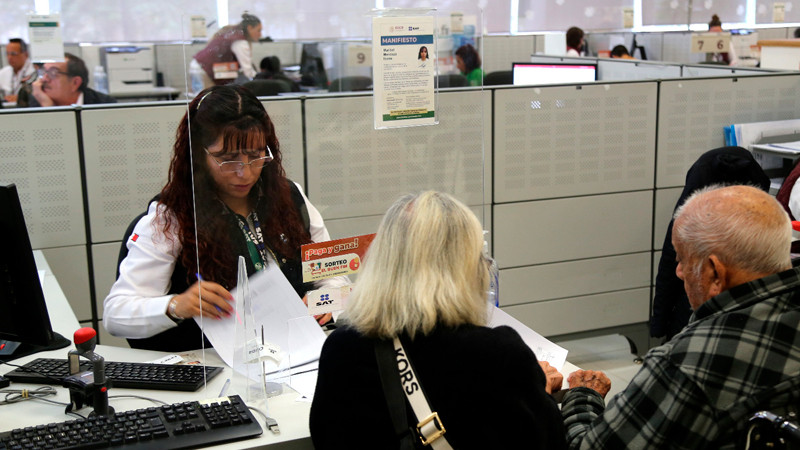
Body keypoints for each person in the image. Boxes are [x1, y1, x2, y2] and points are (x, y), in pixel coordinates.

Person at [310, 191, 569, 449]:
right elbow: (549, 441)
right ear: (464, 267)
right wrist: (539, 393)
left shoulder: (342, 349)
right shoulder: (498, 355)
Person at [104, 85, 345, 351]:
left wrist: (325, 301)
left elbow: (336, 277)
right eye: (228, 159)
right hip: (213, 365)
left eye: (255, 156)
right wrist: (175, 306)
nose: (245, 173)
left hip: (293, 353)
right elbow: (116, 314)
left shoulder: (291, 197)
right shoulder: (171, 218)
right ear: (198, 154)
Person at [562, 185, 800, 449]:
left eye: (682, 260)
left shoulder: (688, 364)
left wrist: (583, 396)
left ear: (714, 273)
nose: (678, 272)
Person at [651, 146, 770, 341]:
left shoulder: (691, 223)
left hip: (692, 317)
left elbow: (669, 264)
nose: (680, 270)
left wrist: (659, 322)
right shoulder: (763, 225)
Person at [191, 12, 262, 88]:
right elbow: (247, 70)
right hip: (204, 70)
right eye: (259, 30)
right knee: (207, 98)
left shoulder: (232, 33)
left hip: (198, 67)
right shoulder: (240, 41)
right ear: (249, 28)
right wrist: (261, 82)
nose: (260, 34)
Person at [27, 53, 116, 107]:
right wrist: (48, 107)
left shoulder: (104, 105)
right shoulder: (36, 102)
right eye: (43, 72)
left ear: (75, 83)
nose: (44, 79)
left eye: (53, 73)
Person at [0, 38, 36, 103]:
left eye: (13, 54)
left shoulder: (34, 72)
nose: (9, 57)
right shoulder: (3, 72)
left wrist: (21, 98)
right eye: (7, 54)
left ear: (25, 54)